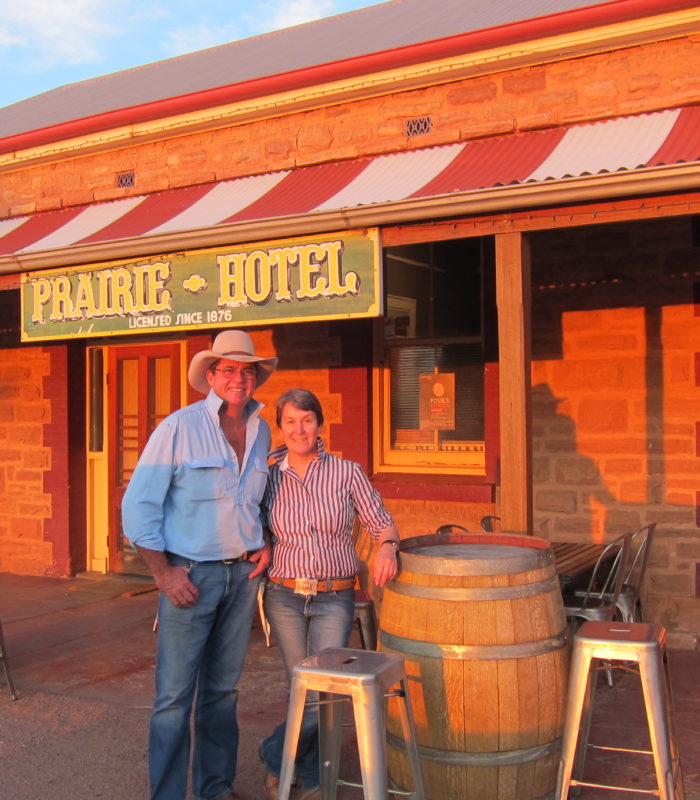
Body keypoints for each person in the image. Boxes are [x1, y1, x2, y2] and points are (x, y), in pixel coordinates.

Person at [121, 329, 278, 800]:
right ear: (210, 376)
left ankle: (215, 788)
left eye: (246, 370)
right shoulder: (179, 427)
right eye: (228, 369)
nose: (238, 378)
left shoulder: (261, 429)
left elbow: (259, 499)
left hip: (241, 577)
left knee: (222, 692)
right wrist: (163, 573)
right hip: (191, 576)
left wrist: (265, 538)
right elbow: (137, 507)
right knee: (173, 698)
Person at [258, 388, 400, 800]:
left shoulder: (347, 472)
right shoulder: (268, 476)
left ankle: (274, 754)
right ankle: (315, 776)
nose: (299, 429)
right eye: (290, 421)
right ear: (281, 428)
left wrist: (388, 546)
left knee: (321, 688)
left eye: (307, 420)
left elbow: (381, 521)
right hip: (284, 595)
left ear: (319, 424)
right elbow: (254, 525)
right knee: (299, 685)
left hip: (333, 597)